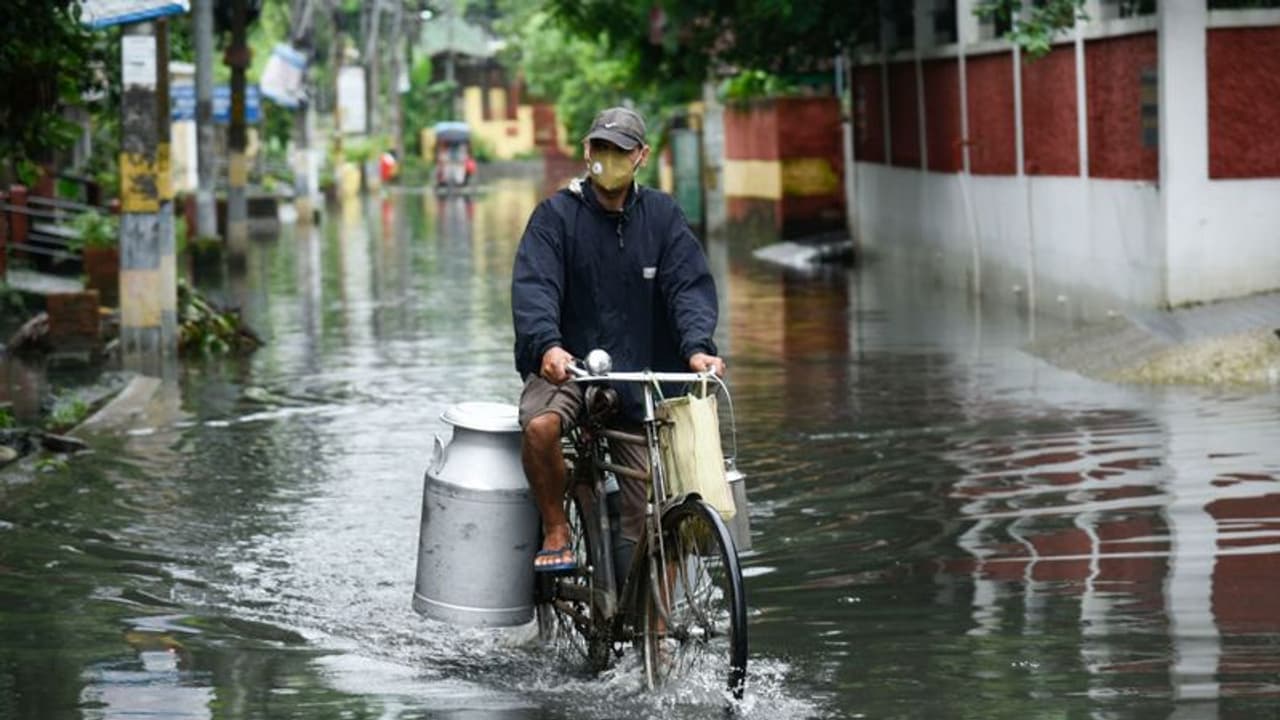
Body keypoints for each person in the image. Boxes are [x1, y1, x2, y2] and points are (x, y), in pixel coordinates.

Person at [510, 107, 726, 577]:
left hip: (638, 375)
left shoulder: (663, 217)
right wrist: (547, 346)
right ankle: (556, 528)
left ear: (641, 156)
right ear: (587, 150)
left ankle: (653, 618)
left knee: (661, 504)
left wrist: (697, 348)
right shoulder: (555, 217)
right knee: (541, 427)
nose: (608, 157)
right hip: (569, 368)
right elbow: (535, 288)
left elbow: (687, 288)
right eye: (601, 147)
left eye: (620, 150)